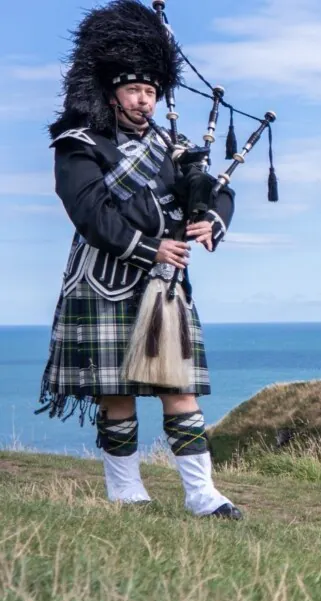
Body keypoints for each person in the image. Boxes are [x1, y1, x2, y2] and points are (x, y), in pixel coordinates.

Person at [37, 0, 241, 520]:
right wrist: (153, 245)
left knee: (180, 389)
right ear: (111, 91)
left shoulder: (174, 147)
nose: (145, 100)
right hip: (104, 281)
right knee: (116, 395)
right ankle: (127, 493)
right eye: (134, 90)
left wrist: (211, 221)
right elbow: (89, 214)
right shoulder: (80, 145)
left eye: (151, 91)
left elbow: (217, 192)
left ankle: (202, 496)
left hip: (165, 285)